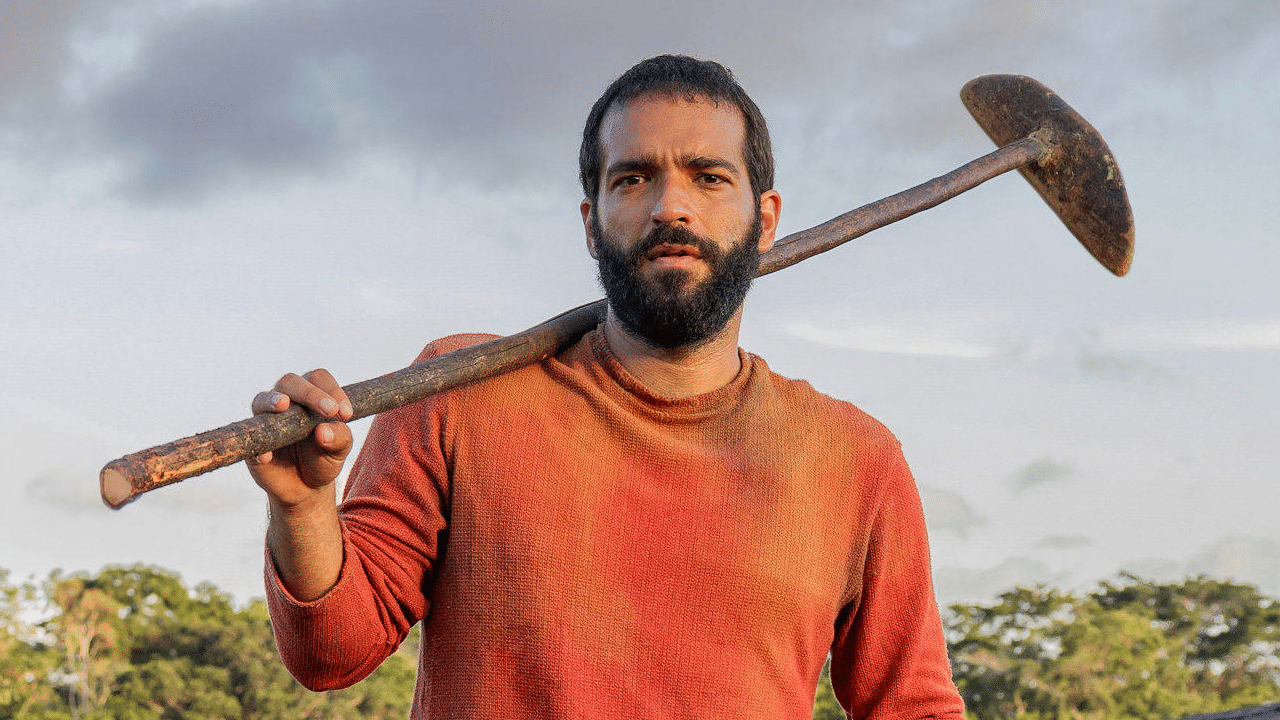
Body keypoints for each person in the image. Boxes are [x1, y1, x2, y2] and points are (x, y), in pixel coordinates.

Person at [248, 54, 965, 719]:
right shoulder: (461, 392)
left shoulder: (854, 459)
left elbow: (914, 706)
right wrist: (306, 508)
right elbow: (331, 654)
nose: (670, 208)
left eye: (709, 177)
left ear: (765, 220)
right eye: (633, 178)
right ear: (593, 224)